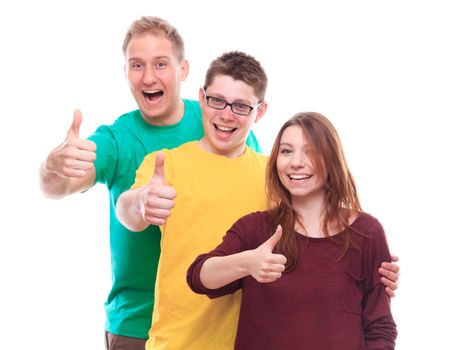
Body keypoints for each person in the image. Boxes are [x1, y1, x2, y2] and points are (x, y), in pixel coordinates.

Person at [117, 53, 399, 350]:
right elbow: (131, 215)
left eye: (240, 106)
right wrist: (140, 202)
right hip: (180, 343)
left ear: (260, 111)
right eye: (217, 101)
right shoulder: (167, 165)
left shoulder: (275, 178)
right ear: (201, 98)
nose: (226, 115)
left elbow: (350, 296)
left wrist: (374, 269)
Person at [38, 17, 262, 350]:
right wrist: (52, 167)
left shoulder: (222, 121)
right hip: (139, 326)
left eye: (160, 64)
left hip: (220, 324)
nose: (148, 77)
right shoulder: (116, 139)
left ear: (183, 69)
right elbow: (59, 186)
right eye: (136, 65)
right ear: (126, 73)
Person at [187, 111, 398, 350]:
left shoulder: (366, 232)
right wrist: (247, 263)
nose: (296, 162)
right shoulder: (255, 229)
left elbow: (380, 327)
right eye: (286, 151)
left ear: (332, 159)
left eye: (311, 151)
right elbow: (198, 277)